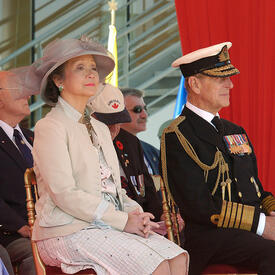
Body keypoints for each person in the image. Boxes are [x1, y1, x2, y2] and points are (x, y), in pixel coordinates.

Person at [31, 36, 189, 275]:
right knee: (156, 264)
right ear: (58, 80)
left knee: (177, 257)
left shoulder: (101, 128)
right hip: (65, 230)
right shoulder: (50, 126)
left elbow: (114, 189)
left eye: (93, 68)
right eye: (80, 68)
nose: (91, 74)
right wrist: (122, 220)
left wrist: (136, 214)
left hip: (104, 225)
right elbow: (65, 194)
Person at [161, 41, 275, 275]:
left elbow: (255, 190)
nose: (230, 85)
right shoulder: (178, 135)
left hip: (250, 231)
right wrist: (262, 225)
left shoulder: (235, 131)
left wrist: (272, 211)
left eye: (229, 78)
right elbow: (199, 207)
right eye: (220, 79)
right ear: (194, 84)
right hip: (211, 237)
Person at [89, 84, 163, 223]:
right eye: (107, 121)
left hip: (137, 219)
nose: (113, 128)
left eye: (118, 121)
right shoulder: (82, 141)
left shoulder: (130, 142)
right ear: (91, 117)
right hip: (101, 222)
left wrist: (159, 218)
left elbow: (147, 190)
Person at [0, 69, 37, 275]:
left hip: (50, 225)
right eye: (18, 90)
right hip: (12, 232)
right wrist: (20, 226)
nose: (27, 95)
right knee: (36, 255)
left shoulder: (34, 137)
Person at [120, 87, 160, 175]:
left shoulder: (153, 152)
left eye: (145, 109)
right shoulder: (107, 149)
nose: (144, 115)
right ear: (118, 113)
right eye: (137, 110)